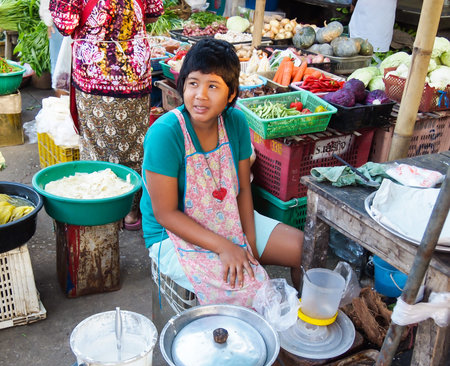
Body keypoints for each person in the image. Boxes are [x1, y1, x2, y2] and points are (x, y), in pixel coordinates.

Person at [141, 38, 303, 307]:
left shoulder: (235, 121)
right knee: (249, 290)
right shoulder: (165, 133)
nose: (200, 95)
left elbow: (242, 189)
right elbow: (165, 214)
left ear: (230, 94)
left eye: (213, 86)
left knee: (306, 249)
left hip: (229, 217)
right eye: (193, 83)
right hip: (171, 235)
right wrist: (226, 247)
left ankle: (306, 333)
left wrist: (247, 243)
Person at [49, 0, 163, 230]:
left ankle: (101, 211)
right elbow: (153, 12)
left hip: (95, 71)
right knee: (134, 144)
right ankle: (131, 212)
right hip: (134, 72)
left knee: (96, 147)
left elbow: (66, 23)